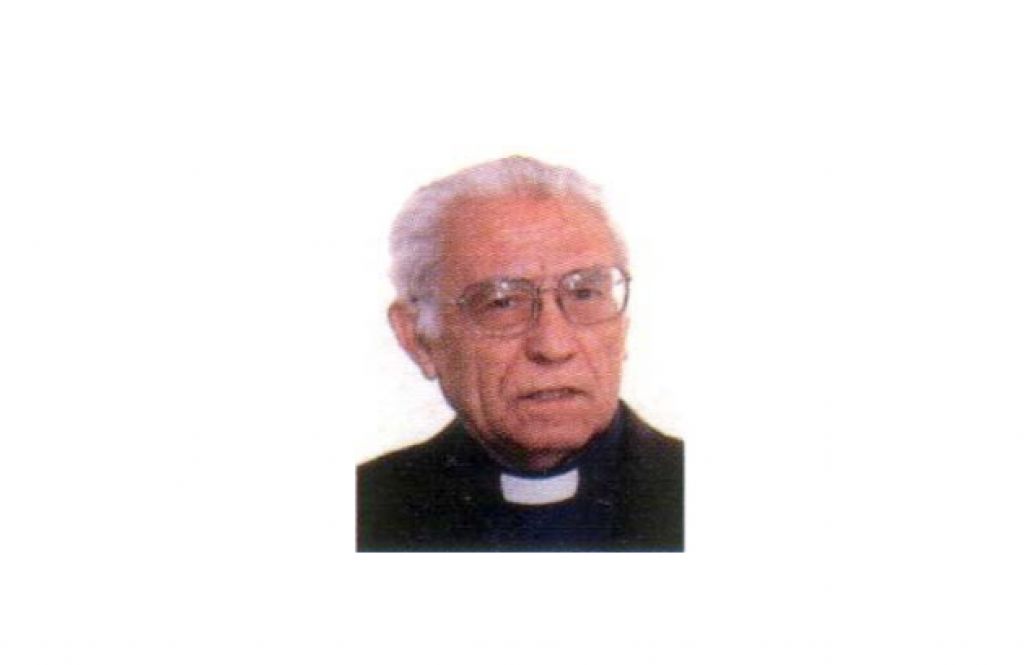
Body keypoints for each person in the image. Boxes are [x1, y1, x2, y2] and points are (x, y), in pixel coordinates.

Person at [358, 156, 683, 552]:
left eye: (584, 294)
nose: (553, 346)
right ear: (418, 339)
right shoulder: (365, 510)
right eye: (502, 303)